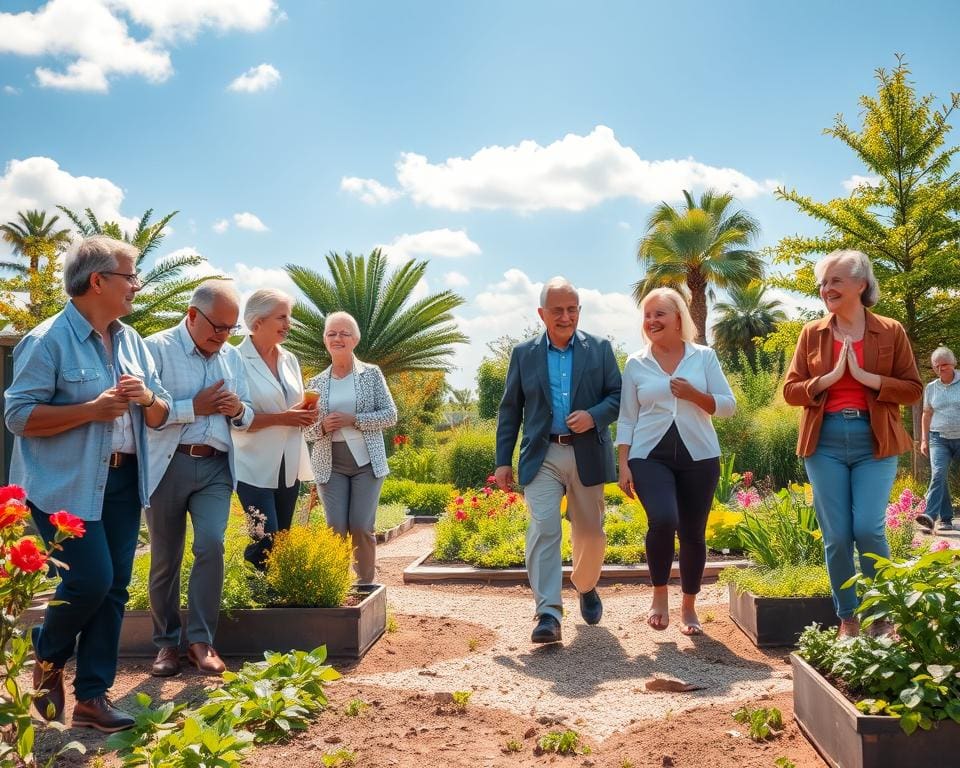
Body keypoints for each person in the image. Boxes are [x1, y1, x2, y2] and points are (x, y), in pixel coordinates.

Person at [4, 235, 170, 731]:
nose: (137, 286)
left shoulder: (133, 341)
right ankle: (48, 655)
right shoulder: (46, 340)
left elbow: (161, 415)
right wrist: (90, 411)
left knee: (115, 587)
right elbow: (17, 416)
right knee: (90, 579)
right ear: (98, 281)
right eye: (131, 277)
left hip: (123, 480)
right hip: (65, 484)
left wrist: (146, 399)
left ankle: (92, 698)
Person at [784, 249, 922, 637]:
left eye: (836, 281)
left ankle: (881, 614)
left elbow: (912, 388)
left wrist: (866, 377)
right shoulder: (812, 332)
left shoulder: (890, 330)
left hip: (874, 441)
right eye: (824, 282)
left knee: (868, 528)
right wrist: (825, 380)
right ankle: (848, 617)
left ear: (861, 284)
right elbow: (791, 390)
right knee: (838, 535)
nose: (826, 288)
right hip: (824, 441)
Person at [495, 277, 621, 644]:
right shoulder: (523, 354)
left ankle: (585, 585)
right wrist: (503, 460)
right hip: (542, 454)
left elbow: (617, 395)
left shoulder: (600, 349)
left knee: (591, 534)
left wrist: (594, 415)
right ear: (542, 313)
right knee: (544, 528)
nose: (565, 317)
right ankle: (548, 613)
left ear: (579, 311)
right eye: (557, 310)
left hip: (588, 453)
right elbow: (509, 410)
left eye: (571, 309)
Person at [143, 280, 254, 676]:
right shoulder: (155, 349)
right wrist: (196, 406)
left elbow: (249, 415)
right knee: (164, 559)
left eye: (231, 329)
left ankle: (201, 641)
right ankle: (165, 645)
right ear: (192, 315)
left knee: (211, 545)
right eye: (218, 328)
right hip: (167, 465)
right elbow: (146, 414)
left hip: (216, 468)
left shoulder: (232, 358)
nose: (224, 337)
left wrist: (239, 408)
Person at [616, 287, 735, 636]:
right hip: (648, 455)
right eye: (648, 315)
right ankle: (658, 595)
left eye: (660, 314)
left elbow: (728, 406)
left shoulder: (704, 357)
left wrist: (695, 395)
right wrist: (623, 463)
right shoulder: (636, 363)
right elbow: (626, 417)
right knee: (664, 520)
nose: (652, 320)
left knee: (693, 533)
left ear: (679, 318)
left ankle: (688, 605)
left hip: (700, 456)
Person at [302, 311, 397, 583]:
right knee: (335, 528)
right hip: (330, 464)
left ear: (355, 339)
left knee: (360, 525)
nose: (337, 338)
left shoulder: (371, 374)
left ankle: (365, 584)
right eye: (331, 333)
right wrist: (322, 427)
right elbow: (306, 430)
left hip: (367, 464)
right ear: (325, 340)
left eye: (344, 333)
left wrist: (353, 420)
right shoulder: (316, 383)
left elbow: (390, 415)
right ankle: (335, 587)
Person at [232, 289, 315, 568]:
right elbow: (237, 418)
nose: (288, 324)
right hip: (251, 464)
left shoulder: (289, 359)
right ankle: (251, 593)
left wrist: (306, 415)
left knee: (281, 539)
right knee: (264, 539)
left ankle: (274, 599)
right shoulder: (234, 359)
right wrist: (285, 418)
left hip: (288, 463)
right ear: (257, 322)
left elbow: (295, 408)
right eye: (281, 317)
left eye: (288, 317)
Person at [916, 346, 960, 532]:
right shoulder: (931, 388)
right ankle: (933, 517)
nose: (940, 369)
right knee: (938, 474)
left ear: (953, 364)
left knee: (941, 476)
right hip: (938, 438)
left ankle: (945, 519)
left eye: (944, 365)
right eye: (936, 366)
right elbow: (926, 414)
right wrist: (924, 440)